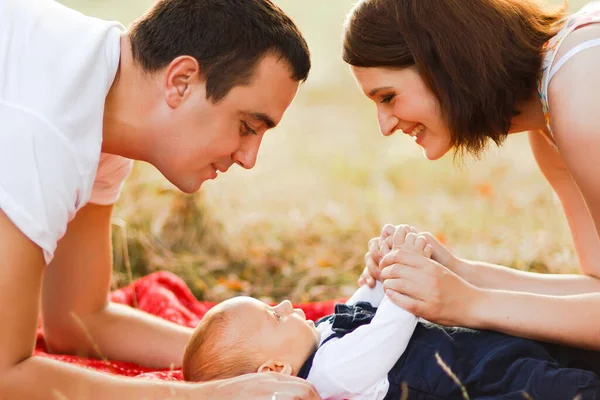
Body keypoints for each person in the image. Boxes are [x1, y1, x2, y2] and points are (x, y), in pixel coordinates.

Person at [0, 0, 320, 398]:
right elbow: (4, 375)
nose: (249, 158)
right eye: (246, 126)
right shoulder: (44, 130)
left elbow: (77, 320)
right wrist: (207, 396)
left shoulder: (101, 108)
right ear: (181, 80)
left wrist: (250, 360)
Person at [343, 0, 600, 352]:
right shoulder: (553, 117)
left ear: (444, 63)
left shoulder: (583, 103)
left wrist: (469, 304)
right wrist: (458, 275)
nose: (384, 125)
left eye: (388, 97)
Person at [181, 230, 600, 399]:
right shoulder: (330, 375)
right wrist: (406, 278)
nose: (287, 306)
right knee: (552, 387)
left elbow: (365, 307)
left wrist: (380, 270)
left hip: (475, 350)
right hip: (472, 380)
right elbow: (388, 331)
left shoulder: (322, 334)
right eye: (274, 316)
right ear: (276, 368)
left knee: (556, 346)